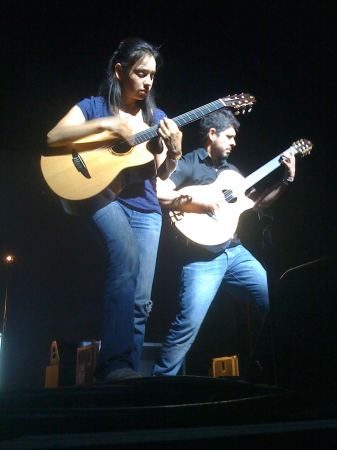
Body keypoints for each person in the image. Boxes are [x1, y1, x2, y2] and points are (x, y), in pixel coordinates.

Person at [47, 38, 182, 381]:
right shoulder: (93, 106)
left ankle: (127, 376)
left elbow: (161, 173)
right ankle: (114, 366)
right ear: (120, 71)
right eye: (140, 73)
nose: (148, 82)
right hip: (103, 197)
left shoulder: (158, 118)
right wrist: (107, 125)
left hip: (147, 208)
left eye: (152, 75)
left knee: (140, 300)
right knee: (125, 259)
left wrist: (175, 152)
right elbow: (53, 137)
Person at [152, 109, 296, 376]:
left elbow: (258, 204)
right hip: (201, 257)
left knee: (278, 302)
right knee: (188, 325)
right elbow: (162, 194)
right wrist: (201, 201)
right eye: (229, 136)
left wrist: (285, 180)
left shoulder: (233, 174)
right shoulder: (189, 162)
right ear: (212, 134)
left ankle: (264, 368)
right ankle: (158, 385)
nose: (234, 142)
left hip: (235, 252)